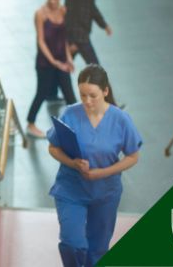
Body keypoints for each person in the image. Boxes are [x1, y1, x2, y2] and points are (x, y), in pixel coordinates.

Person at [47, 65, 142, 267]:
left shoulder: (121, 120)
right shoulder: (70, 114)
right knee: (72, 243)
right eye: (82, 95)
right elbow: (53, 148)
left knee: (98, 250)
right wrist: (72, 162)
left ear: (105, 91)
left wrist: (102, 173)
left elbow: (133, 156)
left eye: (93, 95)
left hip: (105, 193)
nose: (87, 101)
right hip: (71, 189)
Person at [26, 0, 77, 139]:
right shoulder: (40, 14)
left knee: (70, 95)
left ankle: (77, 125)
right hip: (45, 64)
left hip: (61, 61)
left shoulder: (63, 11)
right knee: (42, 93)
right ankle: (30, 124)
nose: (53, 1)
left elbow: (64, 38)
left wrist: (68, 58)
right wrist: (54, 62)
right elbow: (40, 41)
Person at [65, 0, 112, 65]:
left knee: (64, 66)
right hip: (77, 35)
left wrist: (104, 25)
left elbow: (91, 6)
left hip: (84, 33)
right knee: (95, 68)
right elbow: (68, 15)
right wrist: (70, 41)